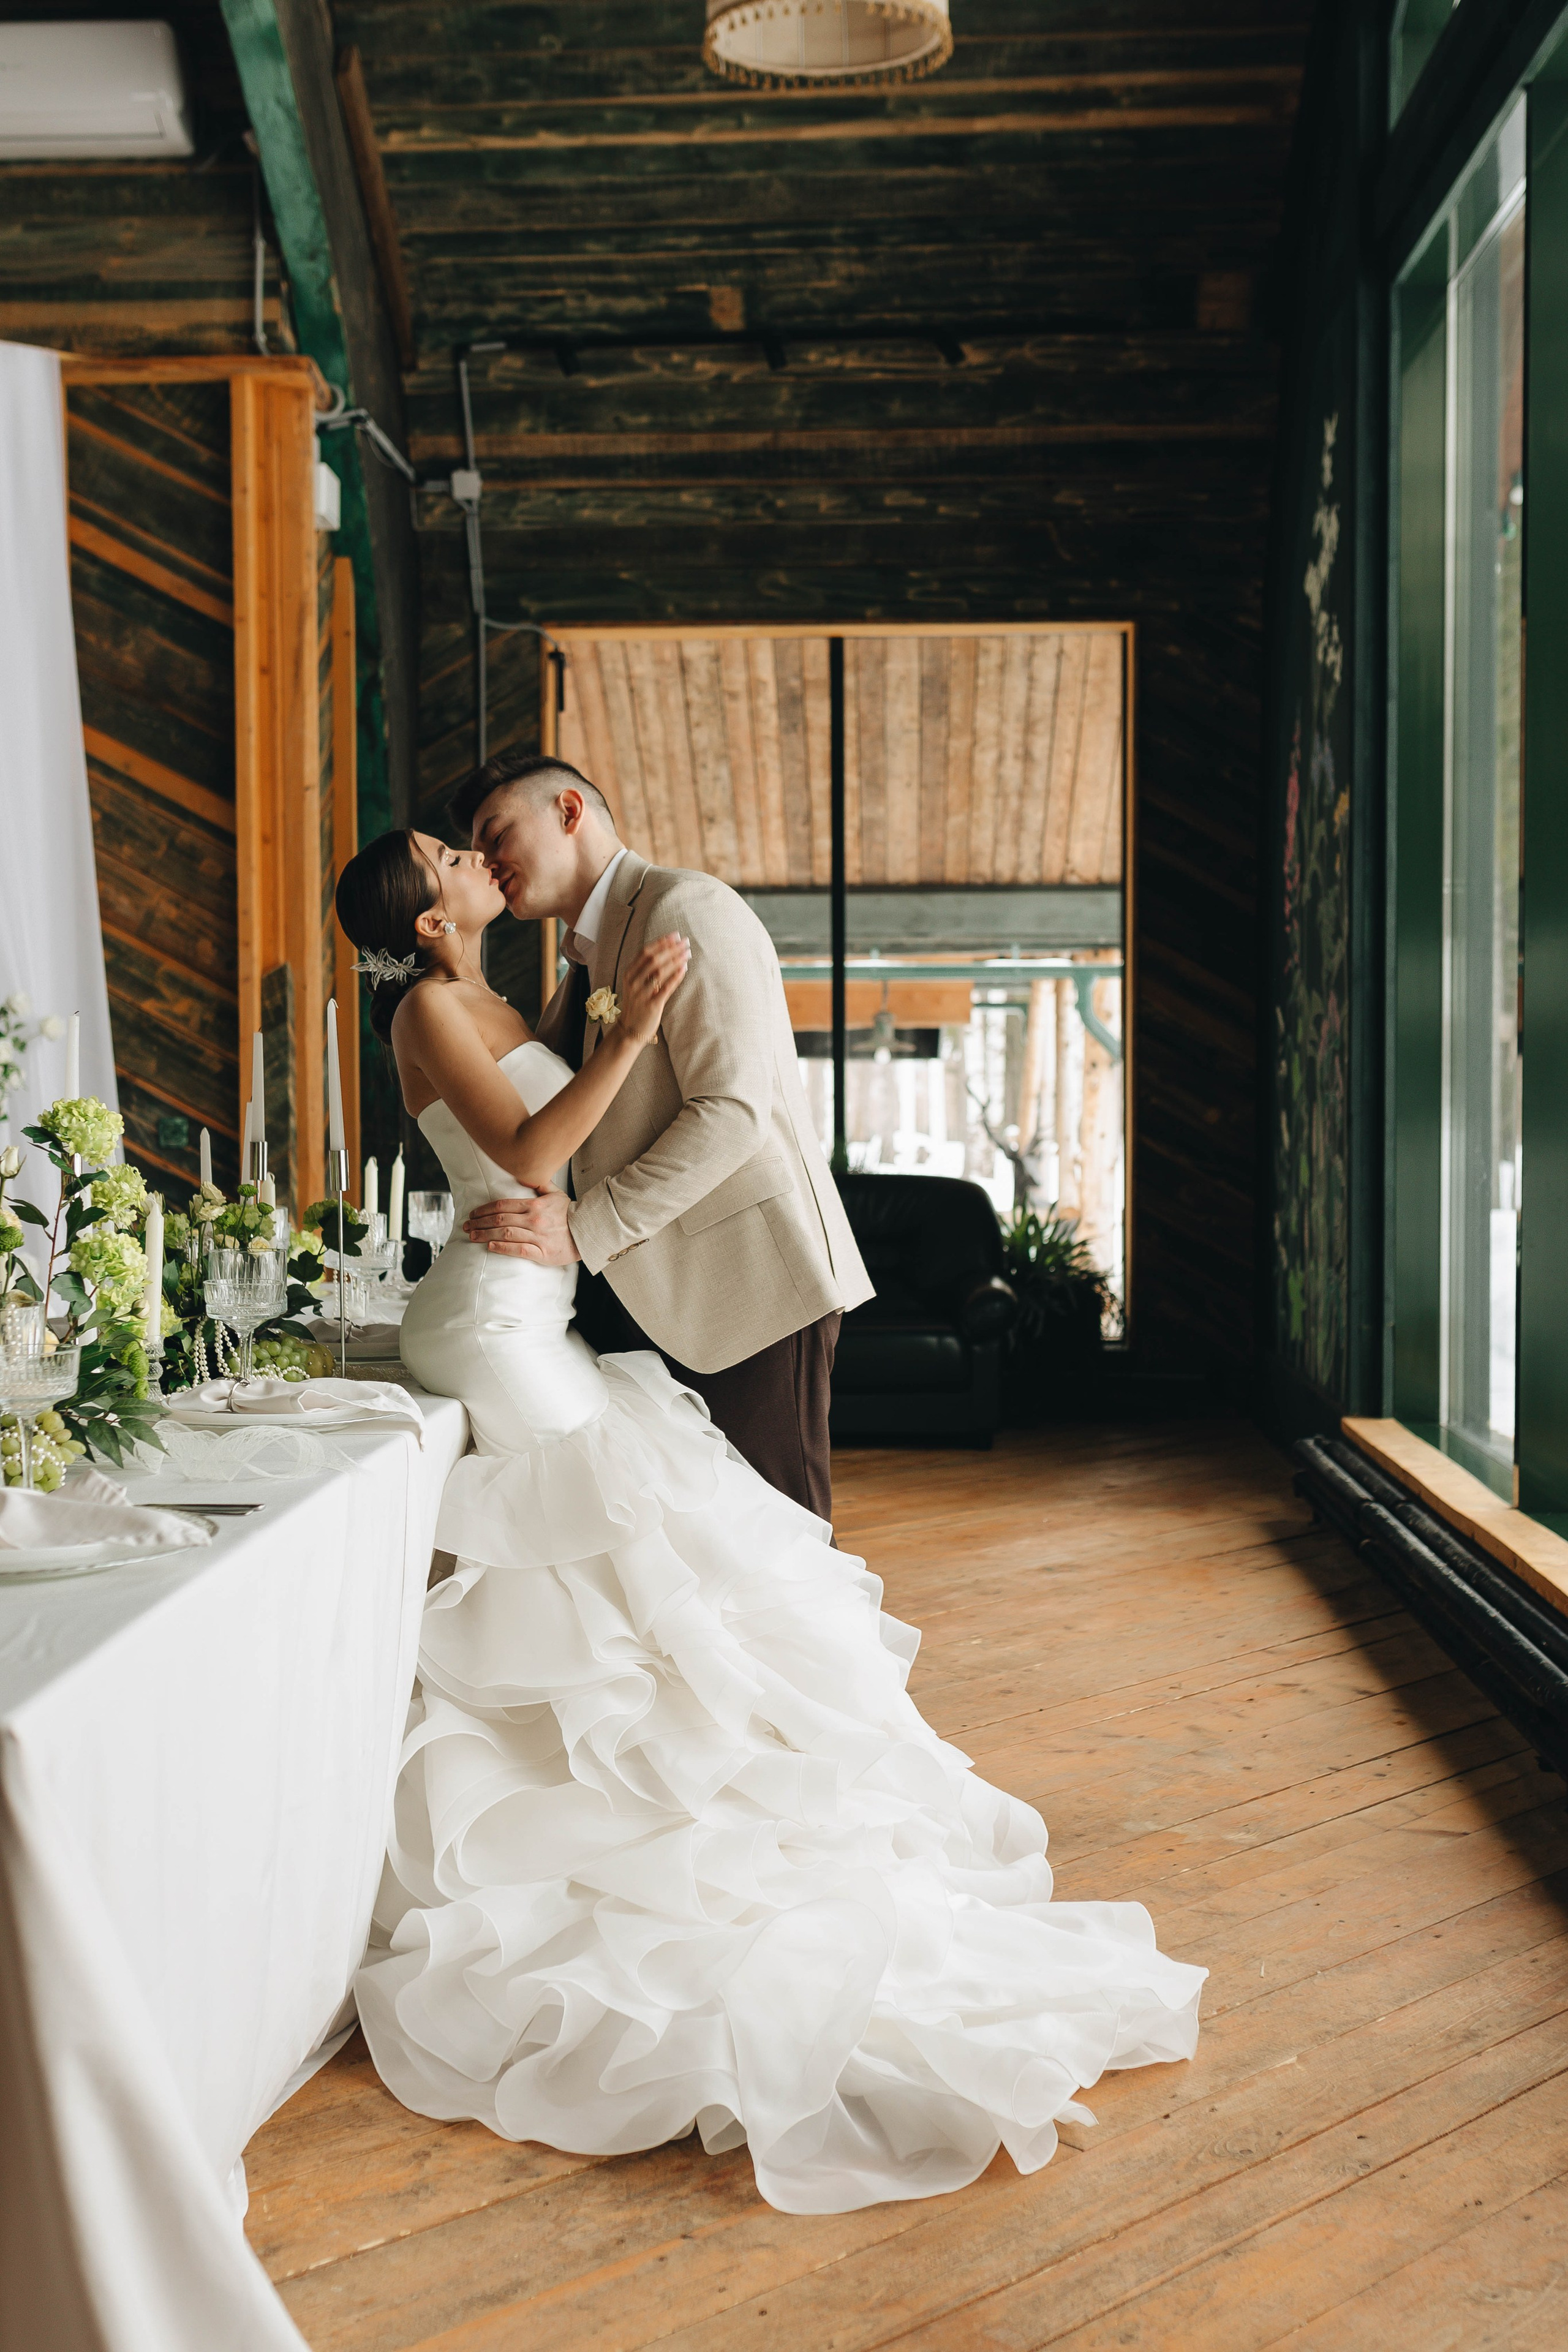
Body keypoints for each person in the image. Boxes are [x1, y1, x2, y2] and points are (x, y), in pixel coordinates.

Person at [336, 823, 1205, 2217]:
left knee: (641, 1566)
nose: (476, 852)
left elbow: (570, 1145)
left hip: (536, 1314)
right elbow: (535, 1151)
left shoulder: (507, 1000)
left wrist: (609, 1031)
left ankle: (694, 1795)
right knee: (608, 1570)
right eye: (451, 854)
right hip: (493, 1325)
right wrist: (631, 1033)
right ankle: (624, 1829)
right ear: (429, 917)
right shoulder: (429, 1008)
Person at [449, 748, 872, 1522]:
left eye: (496, 834)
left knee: (780, 1541)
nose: (487, 861)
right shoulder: (584, 960)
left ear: (568, 811)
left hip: (746, 1287)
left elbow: (732, 1112)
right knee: (698, 1542)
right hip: (654, 1293)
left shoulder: (687, 908)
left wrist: (585, 1227)